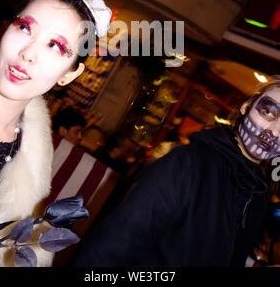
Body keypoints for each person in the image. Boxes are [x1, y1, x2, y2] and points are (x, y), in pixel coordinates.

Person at [70, 77, 280, 267]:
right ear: (245, 107)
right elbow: (110, 247)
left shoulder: (257, 199)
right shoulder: (188, 164)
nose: (274, 131)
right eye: (269, 112)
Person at [0, 0, 112, 267]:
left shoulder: (33, 156)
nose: (28, 53)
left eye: (55, 45)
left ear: (70, 74)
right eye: (24, 27)